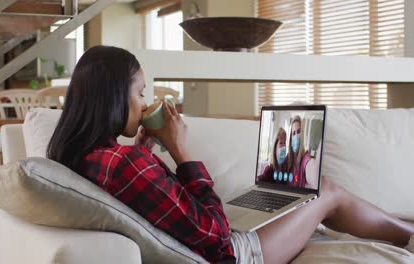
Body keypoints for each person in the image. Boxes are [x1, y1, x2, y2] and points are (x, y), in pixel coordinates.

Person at [47, 46, 414, 264]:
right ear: (113, 97)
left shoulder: (84, 155)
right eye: (140, 93)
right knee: (327, 191)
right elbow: (216, 236)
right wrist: (180, 150)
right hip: (236, 255)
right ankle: (409, 236)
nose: (144, 102)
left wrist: (144, 151)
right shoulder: (126, 164)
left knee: (309, 203)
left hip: (221, 240)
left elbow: (152, 200)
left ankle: (404, 227)